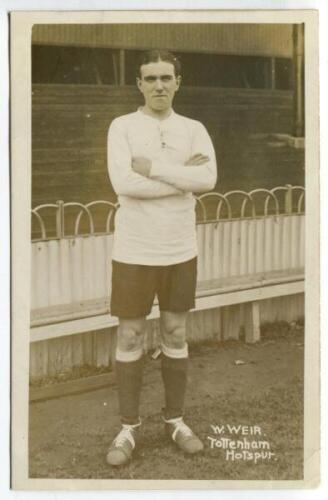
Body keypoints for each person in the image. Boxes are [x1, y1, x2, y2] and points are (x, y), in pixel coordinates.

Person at [106, 49, 217, 466]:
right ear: (139, 84)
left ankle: (175, 420)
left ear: (177, 82)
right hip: (134, 249)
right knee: (131, 336)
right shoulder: (122, 127)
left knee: (175, 333)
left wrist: (153, 168)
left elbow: (208, 178)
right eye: (150, 79)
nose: (158, 86)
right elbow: (123, 182)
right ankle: (128, 428)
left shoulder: (194, 128)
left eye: (165, 78)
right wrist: (180, 175)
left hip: (178, 248)